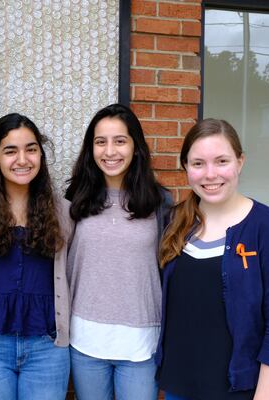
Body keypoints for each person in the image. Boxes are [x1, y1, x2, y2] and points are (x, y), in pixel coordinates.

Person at [156, 119, 269, 400]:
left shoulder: (268, 229)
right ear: (185, 167)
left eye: (221, 161)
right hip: (179, 388)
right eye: (198, 163)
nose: (210, 174)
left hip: (240, 391)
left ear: (240, 162)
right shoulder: (173, 222)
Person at [0, 113, 73, 400]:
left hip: (47, 345)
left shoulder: (63, 212)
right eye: (10, 150)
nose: (22, 159)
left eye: (31, 149)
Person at [64, 103, 172, 400]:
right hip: (85, 340)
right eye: (101, 142)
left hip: (141, 342)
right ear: (91, 149)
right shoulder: (74, 200)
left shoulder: (159, 202)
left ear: (136, 147)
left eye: (120, 141)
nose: (110, 151)